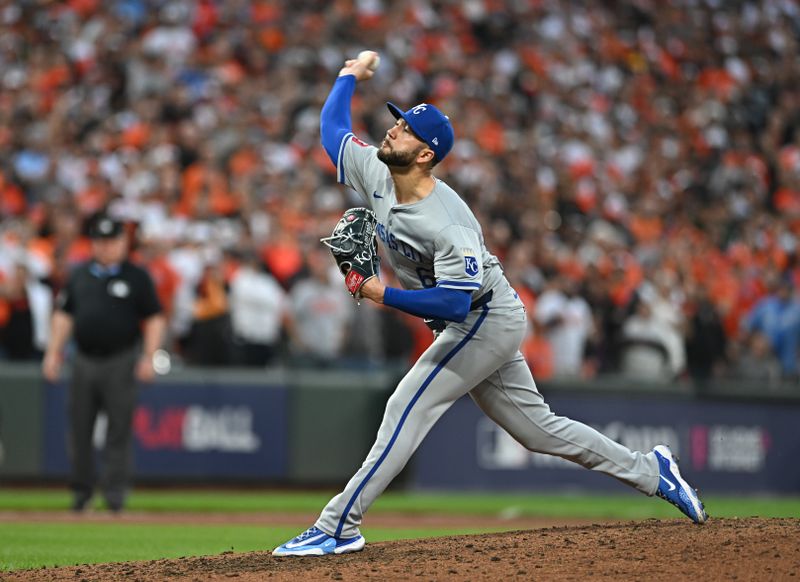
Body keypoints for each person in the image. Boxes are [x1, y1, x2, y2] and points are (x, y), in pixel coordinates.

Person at [272, 54, 707, 557]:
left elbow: (454, 305)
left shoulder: (447, 222)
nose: (393, 130)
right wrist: (349, 74)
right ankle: (652, 471)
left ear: (425, 156)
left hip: (484, 317)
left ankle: (338, 524)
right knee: (539, 431)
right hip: (476, 320)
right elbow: (332, 129)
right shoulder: (376, 170)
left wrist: (378, 293)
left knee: (406, 406)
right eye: (397, 121)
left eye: (407, 129)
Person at [42, 214, 165, 512]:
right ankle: (82, 494)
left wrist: (150, 357)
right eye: (101, 241)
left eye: (112, 241)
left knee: (119, 430)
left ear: (123, 243)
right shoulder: (80, 274)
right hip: (84, 359)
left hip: (121, 359)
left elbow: (154, 318)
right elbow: (63, 315)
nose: (106, 247)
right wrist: (53, 352)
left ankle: (114, 496)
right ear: (93, 243)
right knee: (80, 429)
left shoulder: (136, 276)